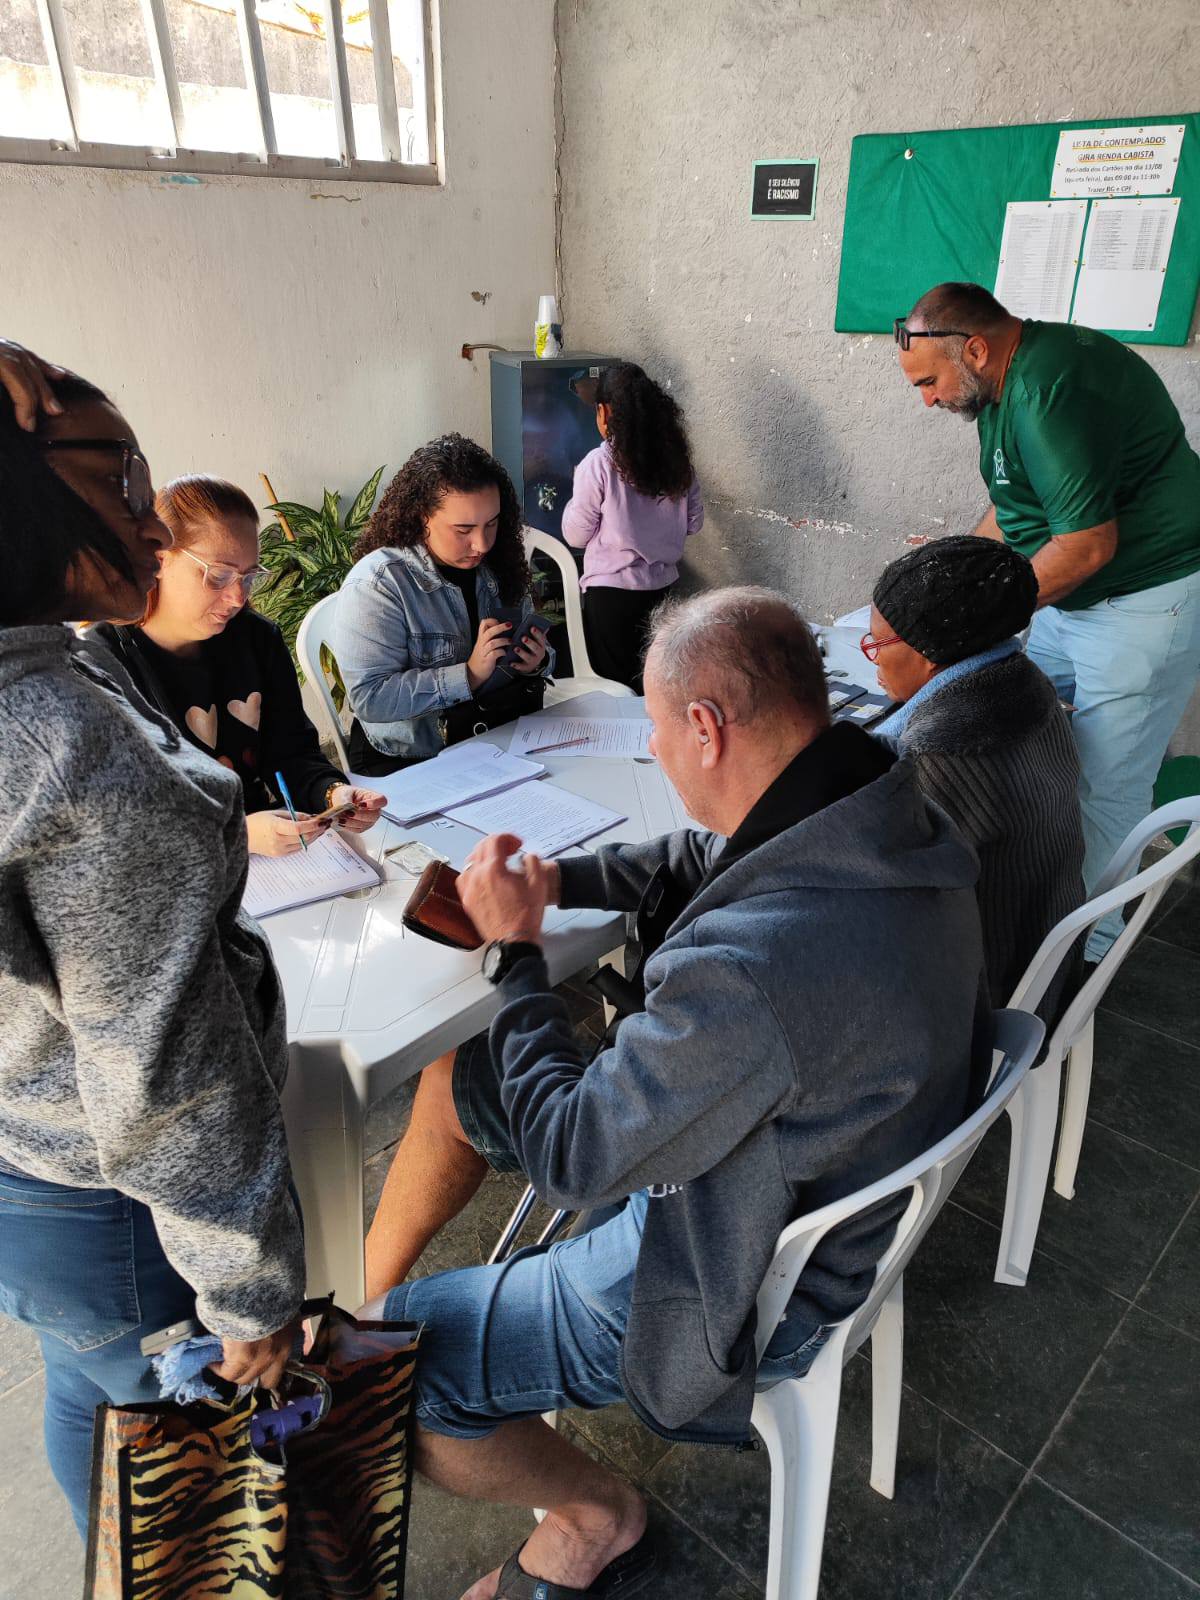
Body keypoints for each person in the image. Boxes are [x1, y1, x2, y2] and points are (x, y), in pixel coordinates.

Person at [361, 588, 992, 1599]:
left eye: (655, 729)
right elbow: (705, 855)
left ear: (704, 728)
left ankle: (592, 1515)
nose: (653, 751)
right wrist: (558, 886)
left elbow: (577, 1152)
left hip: (731, 1258)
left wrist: (518, 956)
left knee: (394, 1373)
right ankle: (366, 1293)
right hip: (821, 1145)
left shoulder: (755, 968)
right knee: (462, 1077)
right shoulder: (873, 793)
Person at [0, 344, 305, 1536]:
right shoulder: (68, 749)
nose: (149, 509)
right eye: (124, 472)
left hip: (28, 1167)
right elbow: (165, 1076)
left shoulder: (54, 677)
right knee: (199, 1493)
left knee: (89, 1394)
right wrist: (249, 1293)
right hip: (112, 1207)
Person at [894, 282, 1200, 959]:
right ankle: (1029, 897)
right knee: (1020, 731)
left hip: (1143, 603)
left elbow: (1088, 544)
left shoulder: (1047, 392)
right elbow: (1014, 506)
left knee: (1105, 787)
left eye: (929, 381)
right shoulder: (1003, 383)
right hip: (1074, 600)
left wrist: (977, 615)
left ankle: (1082, 960)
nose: (928, 399)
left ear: (974, 347)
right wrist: (953, 577)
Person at [89, 475, 385, 856]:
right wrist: (238, 834)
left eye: (248, 577)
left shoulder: (256, 638)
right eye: (219, 575)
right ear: (159, 558)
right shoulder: (102, 664)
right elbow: (118, 824)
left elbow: (292, 755)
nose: (236, 597)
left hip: (273, 865)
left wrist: (333, 793)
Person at [867, 535, 1085, 1010]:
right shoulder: (1029, 683)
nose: (873, 658)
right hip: (1046, 948)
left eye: (877, 644)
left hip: (990, 990)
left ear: (927, 655)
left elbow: (887, 893)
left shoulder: (937, 754)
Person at [333, 434, 553, 775]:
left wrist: (536, 661)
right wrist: (468, 675)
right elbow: (370, 698)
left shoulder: (500, 563)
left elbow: (528, 649)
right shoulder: (379, 583)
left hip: (490, 735)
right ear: (422, 518)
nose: (481, 544)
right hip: (408, 757)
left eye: (492, 524)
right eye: (463, 529)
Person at [561, 361, 703, 690]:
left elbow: (576, 536)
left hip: (611, 597)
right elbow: (694, 523)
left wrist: (573, 499)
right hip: (662, 591)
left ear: (604, 412)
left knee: (614, 690)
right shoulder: (677, 462)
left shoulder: (597, 465)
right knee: (651, 686)